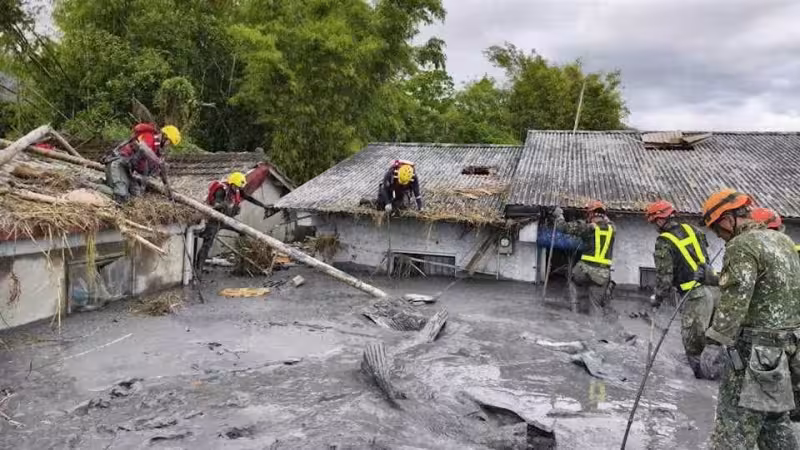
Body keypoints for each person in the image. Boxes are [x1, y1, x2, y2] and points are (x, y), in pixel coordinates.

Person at [701, 189, 800, 449]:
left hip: (755, 353)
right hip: (789, 349)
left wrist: (714, 342)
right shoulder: (782, 241)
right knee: (774, 423)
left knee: (732, 428)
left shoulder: (742, 245)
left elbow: (736, 298)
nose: (718, 235)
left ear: (726, 220)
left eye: (716, 229)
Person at [645, 200, 722, 379]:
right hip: (715, 290)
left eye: (653, 222)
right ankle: (719, 376)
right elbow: (704, 258)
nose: (654, 226)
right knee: (715, 338)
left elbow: (664, 277)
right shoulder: (693, 230)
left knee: (693, 343)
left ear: (659, 220)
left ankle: (702, 385)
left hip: (695, 296)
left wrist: (657, 298)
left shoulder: (663, 241)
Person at [194, 171, 274, 271]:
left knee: (242, 231)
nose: (238, 189)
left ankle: (243, 258)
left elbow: (248, 197)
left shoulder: (236, 190)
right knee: (207, 245)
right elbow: (216, 205)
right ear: (232, 184)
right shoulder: (221, 190)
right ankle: (198, 269)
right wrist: (226, 206)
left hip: (227, 219)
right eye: (237, 187)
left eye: (239, 188)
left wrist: (263, 206)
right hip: (215, 220)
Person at [553, 201, 615, 314]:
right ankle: (596, 316)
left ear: (591, 214)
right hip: (603, 275)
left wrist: (559, 215)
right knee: (596, 306)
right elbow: (608, 221)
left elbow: (562, 227)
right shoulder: (613, 229)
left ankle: (575, 310)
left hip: (585, 271)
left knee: (572, 279)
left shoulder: (587, 228)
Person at [104, 123, 180, 203]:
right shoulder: (149, 136)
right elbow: (143, 148)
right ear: (165, 136)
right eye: (169, 142)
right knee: (121, 196)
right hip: (117, 163)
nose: (168, 145)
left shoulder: (156, 151)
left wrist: (170, 196)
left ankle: (106, 184)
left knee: (135, 195)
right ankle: (95, 187)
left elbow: (163, 175)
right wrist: (158, 161)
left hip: (127, 169)